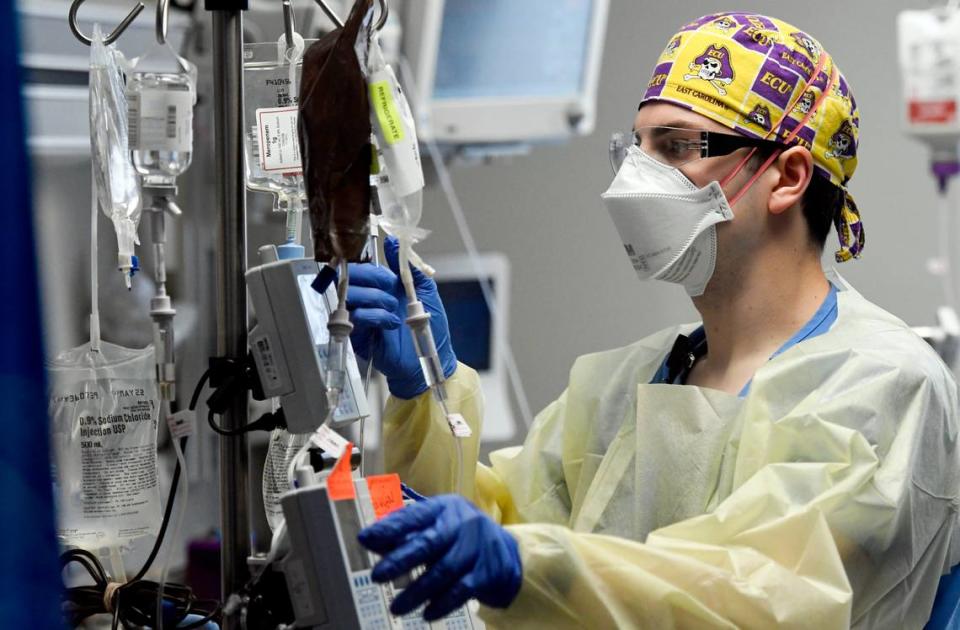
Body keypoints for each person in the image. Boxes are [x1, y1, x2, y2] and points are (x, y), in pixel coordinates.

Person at [347, 13, 960, 628]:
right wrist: (427, 389)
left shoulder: (882, 386)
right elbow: (478, 550)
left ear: (789, 177)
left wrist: (520, 563)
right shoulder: (626, 388)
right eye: (634, 148)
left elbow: (764, 597)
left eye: (675, 146)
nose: (630, 183)